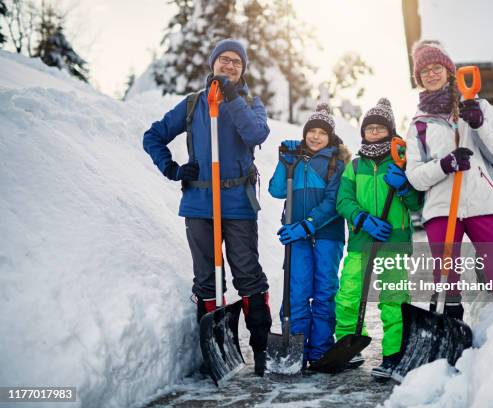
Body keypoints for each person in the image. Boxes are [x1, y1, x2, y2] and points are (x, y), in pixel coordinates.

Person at [142, 38, 272, 376]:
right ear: (212, 63)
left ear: (243, 69)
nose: (229, 66)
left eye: (236, 62)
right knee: (206, 280)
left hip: (238, 205)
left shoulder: (250, 103)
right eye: (223, 60)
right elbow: (152, 136)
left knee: (248, 273)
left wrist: (231, 99)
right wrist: (172, 168)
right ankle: (212, 353)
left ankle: (261, 350)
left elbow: (256, 134)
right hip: (200, 204)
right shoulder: (191, 105)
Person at [405, 40, 493, 320]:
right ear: (418, 78)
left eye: (436, 68)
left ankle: (486, 271)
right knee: (446, 284)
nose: (431, 74)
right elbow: (415, 177)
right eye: (424, 71)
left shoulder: (478, 106)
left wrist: (479, 124)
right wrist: (444, 165)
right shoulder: (419, 124)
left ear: (449, 70)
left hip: (483, 202)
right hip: (442, 208)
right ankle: (449, 328)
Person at [335, 98, 423, 380]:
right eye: (369, 128)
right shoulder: (355, 165)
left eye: (379, 128)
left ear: (390, 131)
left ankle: (394, 355)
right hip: (362, 242)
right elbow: (343, 200)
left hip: (394, 244)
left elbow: (416, 203)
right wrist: (362, 219)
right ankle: (350, 346)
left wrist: (405, 186)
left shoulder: (402, 162)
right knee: (349, 294)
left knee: (393, 299)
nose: (373, 132)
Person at [268, 103, 351, 369]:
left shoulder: (336, 164)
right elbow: (277, 190)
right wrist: (284, 163)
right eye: (311, 131)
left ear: (331, 137)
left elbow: (332, 202)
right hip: (297, 237)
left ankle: (319, 351)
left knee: (324, 291)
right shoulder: (295, 160)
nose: (315, 136)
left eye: (322, 133)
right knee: (297, 291)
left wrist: (308, 225)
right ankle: (295, 351)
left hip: (327, 235)